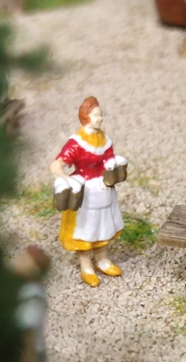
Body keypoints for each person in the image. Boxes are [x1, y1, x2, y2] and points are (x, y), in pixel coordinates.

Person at [50, 96, 128, 287]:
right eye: (96, 115)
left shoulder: (104, 139)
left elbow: (108, 159)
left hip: (104, 189)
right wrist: (66, 179)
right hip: (86, 192)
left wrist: (114, 167)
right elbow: (57, 165)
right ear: (86, 117)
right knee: (86, 228)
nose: (100, 118)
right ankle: (86, 266)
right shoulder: (77, 143)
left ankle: (102, 259)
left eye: (100, 115)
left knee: (104, 224)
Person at [11, 245, 51, 362]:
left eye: (24, 259)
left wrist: (28, 359)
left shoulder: (32, 294)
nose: (18, 261)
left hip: (28, 353)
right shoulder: (21, 287)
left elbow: (29, 331)